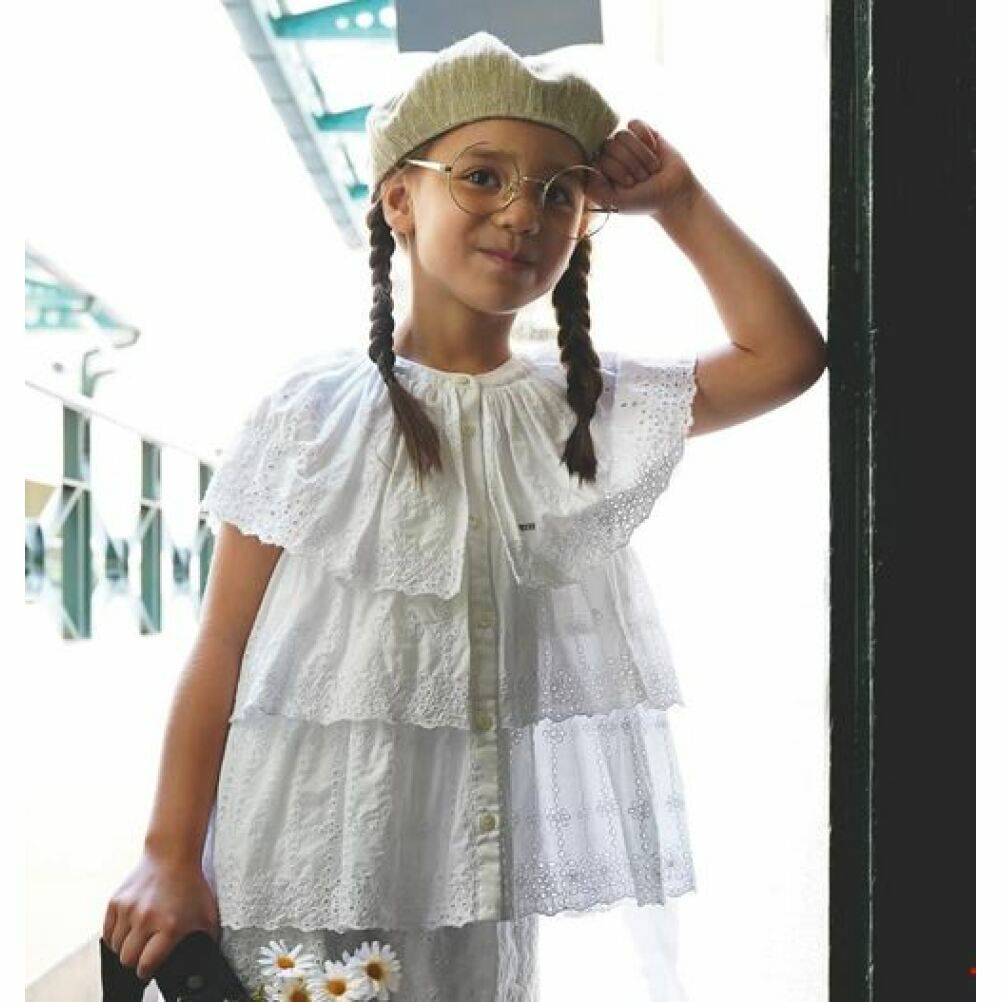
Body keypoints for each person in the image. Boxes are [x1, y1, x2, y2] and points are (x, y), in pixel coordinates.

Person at [101, 30, 826, 1002]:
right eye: (483, 177)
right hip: (298, 864)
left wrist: (681, 202)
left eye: (559, 193)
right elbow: (223, 643)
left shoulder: (579, 409)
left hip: (471, 892)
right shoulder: (310, 414)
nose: (523, 211)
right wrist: (168, 852)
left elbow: (785, 356)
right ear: (400, 200)